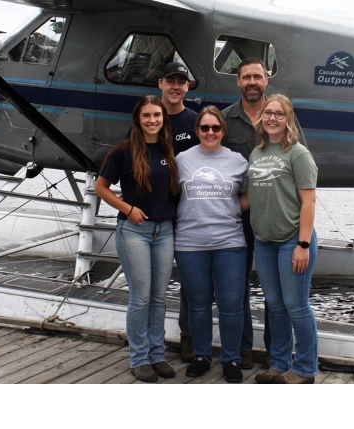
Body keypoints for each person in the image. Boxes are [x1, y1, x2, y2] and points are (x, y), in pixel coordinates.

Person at [222, 57, 307, 369]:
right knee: (237, 283)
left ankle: (276, 353)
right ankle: (243, 347)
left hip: (277, 218)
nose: (252, 82)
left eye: (257, 76)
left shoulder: (281, 118)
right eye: (246, 77)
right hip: (238, 216)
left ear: (266, 80)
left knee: (278, 292)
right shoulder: (225, 119)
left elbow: (302, 170)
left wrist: (303, 236)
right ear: (238, 81)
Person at [96, 95, 179, 383]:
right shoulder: (123, 151)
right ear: (138, 119)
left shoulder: (168, 149)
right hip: (135, 231)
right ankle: (139, 358)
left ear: (163, 119)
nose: (152, 120)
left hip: (164, 230)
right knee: (141, 297)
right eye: (146, 115)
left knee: (159, 297)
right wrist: (127, 208)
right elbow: (101, 187)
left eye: (157, 115)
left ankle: (157, 355)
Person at [174, 105, 249, 383]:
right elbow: (171, 193)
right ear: (197, 131)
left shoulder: (237, 161)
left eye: (215, 128)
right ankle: (202, 356)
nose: (210, 132)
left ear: (222, 131)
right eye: (204, 127)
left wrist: (228, 209)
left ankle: (231, 359)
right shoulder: (182, 159)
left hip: (229, 242)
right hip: (190, 244)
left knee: (231, 304)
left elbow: (249, 194)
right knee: (198, 304)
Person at [249, 94, 319, 384]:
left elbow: (309, 202)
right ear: (261, 117)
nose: (272, 118)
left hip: (293, 239)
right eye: (268, 113)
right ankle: (279, 363)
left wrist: (303, 244)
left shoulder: (298, 154)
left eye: (279, 114)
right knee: (275, 306)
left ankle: (305, 368)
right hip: (264, 241)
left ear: (288, 119)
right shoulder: (257, 152)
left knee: (296, 305)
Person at [158, 61, 200, 362]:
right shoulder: (148, 117)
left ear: (188, 86)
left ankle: (189, 339)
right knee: (154, 281)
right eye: (170, 81)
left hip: (187, 213)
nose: (176, 87)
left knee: (191, 281)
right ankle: (151, 342)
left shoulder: (195, 122)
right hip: (155, 212)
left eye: (181, 82)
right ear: (160, 83)